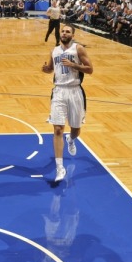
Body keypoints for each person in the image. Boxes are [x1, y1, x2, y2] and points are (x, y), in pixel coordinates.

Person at [42, 25, 93, 182]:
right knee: (58, 129)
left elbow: (90, 69)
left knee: (76, 129)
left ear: (73, 35)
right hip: (59, 91)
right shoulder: (54, 50)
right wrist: (45, 69)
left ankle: (71, 139)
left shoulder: (78, 49)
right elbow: (50, 69)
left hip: (75, 91)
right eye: (63, 31)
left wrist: (74, 65)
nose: (64, 33)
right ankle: (60, 168)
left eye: (67, 32)